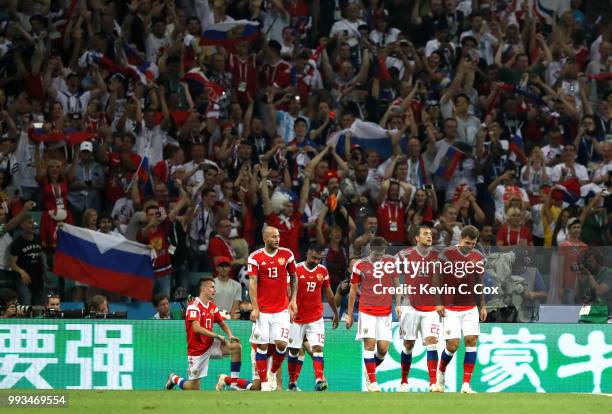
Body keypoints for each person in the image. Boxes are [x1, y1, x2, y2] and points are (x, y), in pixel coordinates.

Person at [165, 277, 250, 391]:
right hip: (197, 350)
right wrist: (216, 335)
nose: (215, 290)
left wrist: (230, 335)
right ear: (204, 289)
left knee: (236, 347)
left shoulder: (212, 306)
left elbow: (221, 323)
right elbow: (196, 328)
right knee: (193, 388)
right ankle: (174, 378)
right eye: (212, 287)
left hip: (210, 345)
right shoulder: (193, 306)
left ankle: (234, 384)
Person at [436, 225, 487, 394]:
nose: (469, 247)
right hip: (450, 306)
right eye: (466, 243)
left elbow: (479, 282)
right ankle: (440, 373)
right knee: (453, 345)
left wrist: (482, 305)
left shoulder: (478, 257)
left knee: (472, 340)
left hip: (470, 306)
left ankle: (466, 384)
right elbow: (436, 278)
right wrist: (438, 302)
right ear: (460, 239)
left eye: (472, 244)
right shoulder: (447, 254)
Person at [345, 237, 400, 392]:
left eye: (382, 254)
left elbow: (396, 284)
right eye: (377, 254)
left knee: (382, 350)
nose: (379, 257)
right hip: (367, 310)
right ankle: (373, 383)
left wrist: (399, 304)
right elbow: (353, 291)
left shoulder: (392, 262)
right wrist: (349, 315)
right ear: (370, 250)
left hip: (386, 311)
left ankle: (369, 371)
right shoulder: (360, 265)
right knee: (369, 345)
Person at [247, 226, 297, 391]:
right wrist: (255, 308)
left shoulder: (287, 255)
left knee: (282, 344)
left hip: (281, 310)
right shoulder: (255, 257)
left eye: (278, 236)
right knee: (261, 346)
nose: (277, 239)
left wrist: (293, 300)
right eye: (273, 236)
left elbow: (294, 278)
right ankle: (264, 382)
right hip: (263, 311)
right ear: (265, 238)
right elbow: (252, 283)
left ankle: (272, 372)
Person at [287, 244, 339, 391]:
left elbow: (328, 292)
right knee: (294, 351)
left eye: (319, 259)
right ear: (308, 253)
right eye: (314, 257)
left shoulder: (323, 271)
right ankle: (292, 383)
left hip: (315, 317)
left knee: (317, 347)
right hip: (296, 318)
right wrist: (288, 308)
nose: (316, 261)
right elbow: (287, 290)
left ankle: (318, 380)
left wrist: (335, 313)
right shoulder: (295, 269)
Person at [395, 225, 441, 392]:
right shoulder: (404, 255)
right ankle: (404, 381)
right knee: (408, 344)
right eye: (425, 234)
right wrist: (398, 302)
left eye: (430, 234)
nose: (429, 236)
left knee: (432, 342)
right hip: (410, 306)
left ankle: (433, 383)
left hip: (431, 308)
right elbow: (392, 274)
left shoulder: (438, 256)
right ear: (417, 238)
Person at [9, 214, 46, 305]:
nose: (33, 225)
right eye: (30, 223)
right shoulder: (17, 243)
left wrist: (45, 273)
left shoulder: (38, 239)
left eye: (33, 222)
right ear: (22, 225)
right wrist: (21, 272)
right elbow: (12, 263)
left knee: (40, 307)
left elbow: (41, 257)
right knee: (26, 304)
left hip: (38, 278)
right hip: (23, 280)